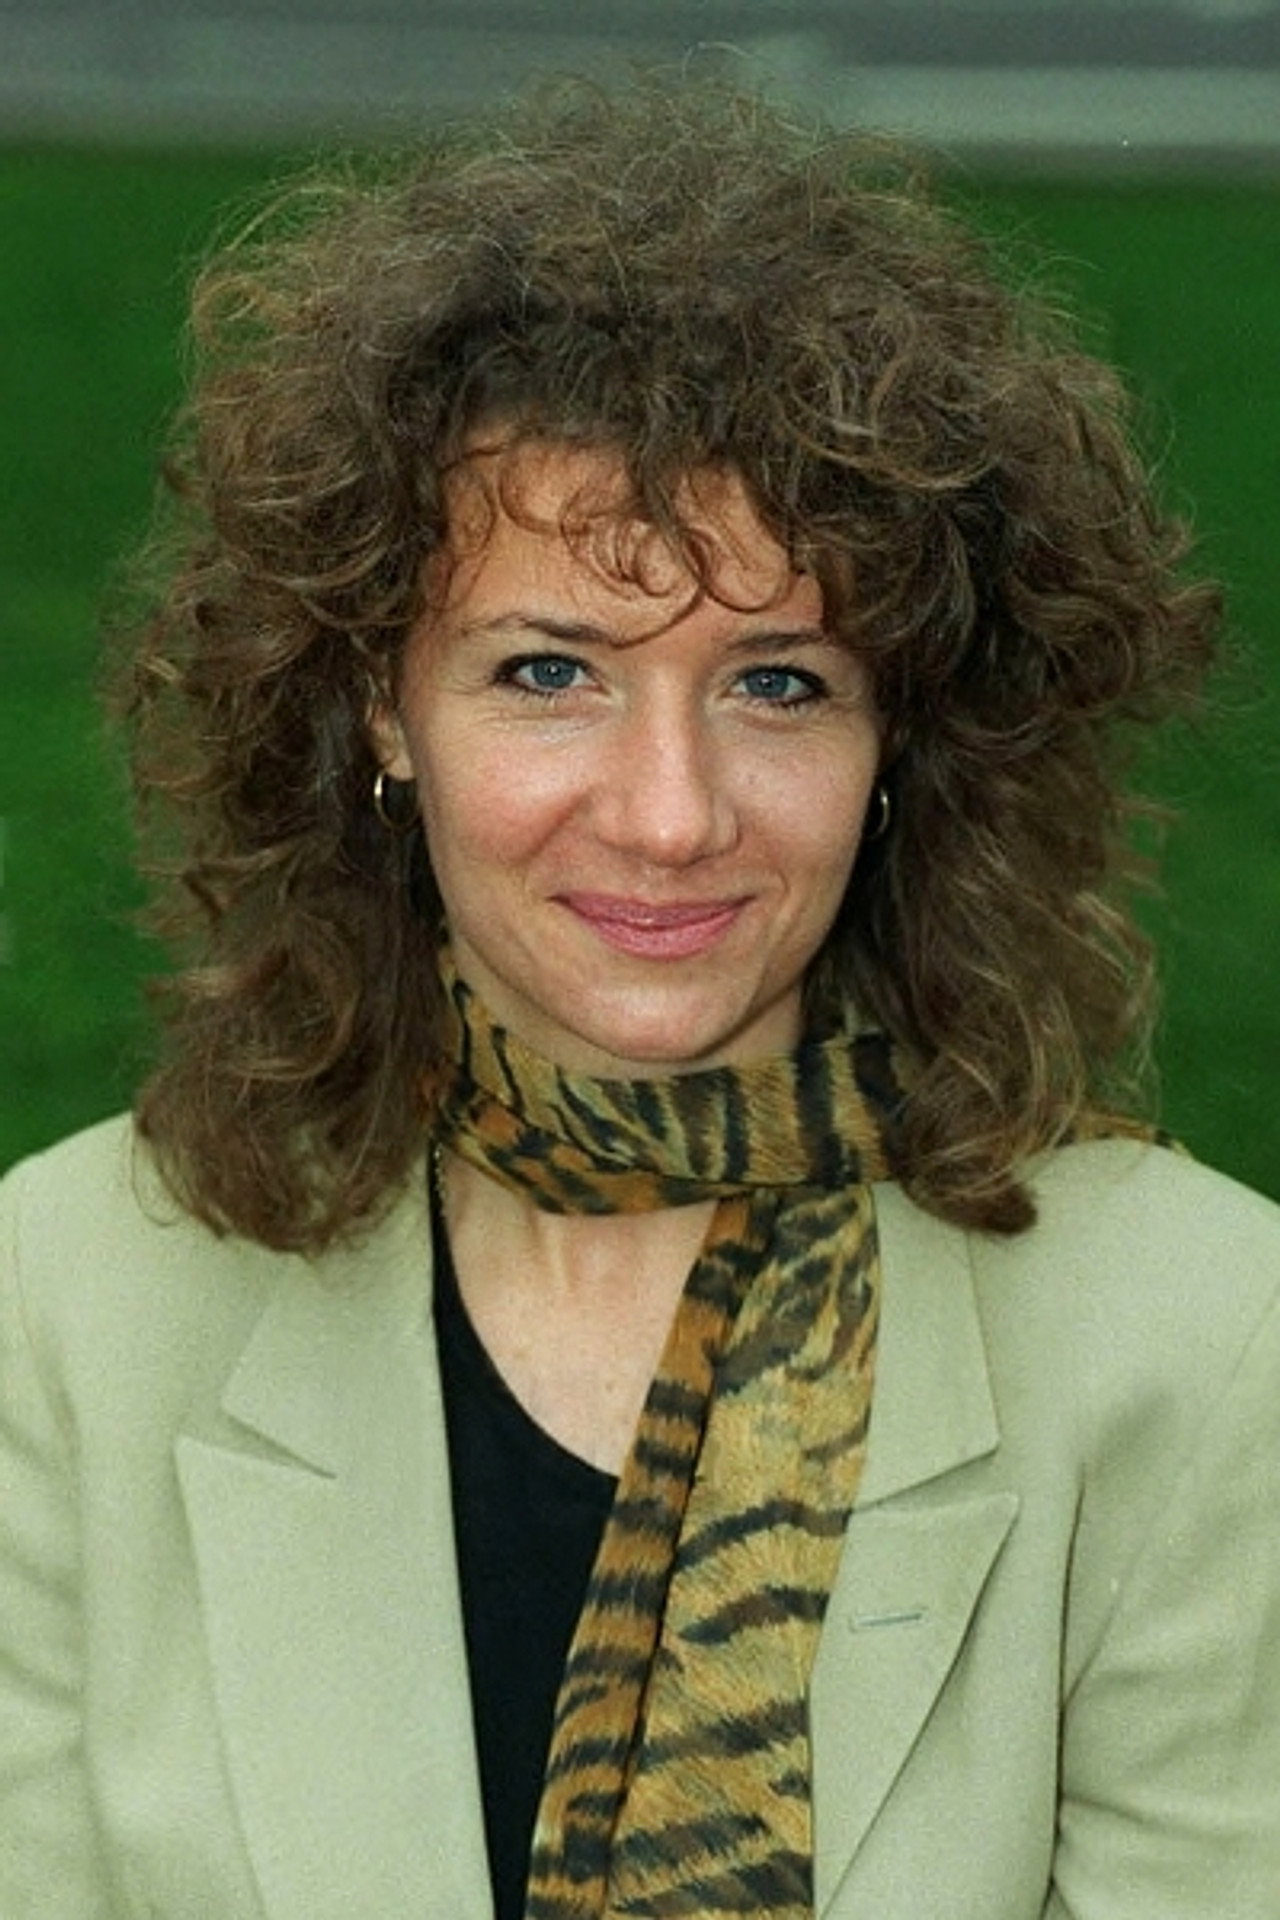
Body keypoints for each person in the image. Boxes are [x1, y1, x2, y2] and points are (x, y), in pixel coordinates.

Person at [2, 79, 1278, 1920]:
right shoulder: (70, 1303)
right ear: (378, 709)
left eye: (779, 683)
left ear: (901, 737)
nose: (672, 817)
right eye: (550, 671)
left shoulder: (1200, 1338)